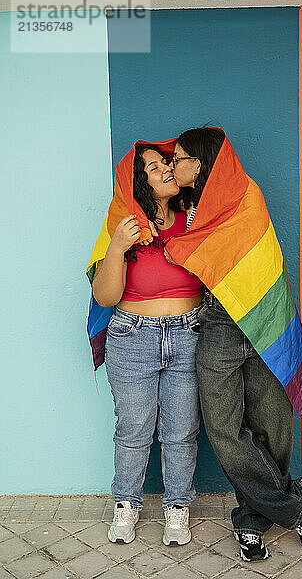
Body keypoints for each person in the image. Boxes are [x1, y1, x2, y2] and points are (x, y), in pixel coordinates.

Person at [164, 127, 302, 563]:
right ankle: (294, 502)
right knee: (223, 428)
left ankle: (251, 521)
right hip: (216, 322)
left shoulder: (244, 195)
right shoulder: (184, 209)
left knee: (273, 425)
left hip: (263, 317)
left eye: (179, 158)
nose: (174, 165)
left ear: (201, 163)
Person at [90, 143, 203, 546]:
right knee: (134, 428)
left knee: (181, 430)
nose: (166, 170)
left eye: (167, 163)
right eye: (154, 168)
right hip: (132, 335)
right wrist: (118, 247)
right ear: (139, 183)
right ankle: (126, 505)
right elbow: (105, 298)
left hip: (189, 334)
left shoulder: (195, 219)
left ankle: (177, 507)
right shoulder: (124, 226)